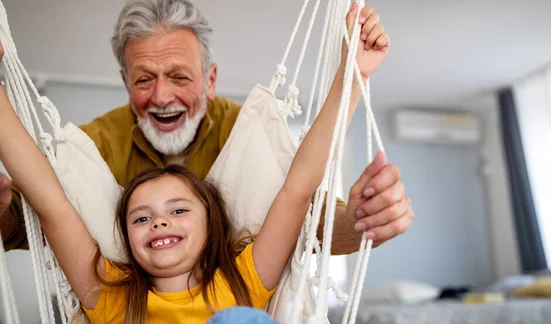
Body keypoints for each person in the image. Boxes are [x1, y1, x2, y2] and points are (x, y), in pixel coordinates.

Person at [0, 3, 392, 324]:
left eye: (179, 210)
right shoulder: (111, 295)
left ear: (211, 226)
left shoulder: (242, 281)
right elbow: (49, 201)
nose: (159, 222)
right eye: (140, 218)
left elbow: (297, 188)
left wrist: (353, 76)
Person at [0, 0, 414, 257]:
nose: (162, 97)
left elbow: (307, 212)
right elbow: (33, 216)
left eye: (179, 77)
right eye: (144, 80)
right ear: (126, 83)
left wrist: (361, 221)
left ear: (210, 79)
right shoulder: (93, 147)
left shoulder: (248, 136)